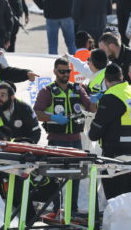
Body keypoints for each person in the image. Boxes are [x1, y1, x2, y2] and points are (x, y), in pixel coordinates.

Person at [34, 58, 94, 210]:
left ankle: (72, 209)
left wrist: (97, 100)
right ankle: (56, 208)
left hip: (75, 140)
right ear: (55, 72)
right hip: (57, 140)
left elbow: (91, 108)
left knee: (76, 176)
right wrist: (53, 117)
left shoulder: (77, 88)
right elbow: (37, 112)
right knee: (55, 177)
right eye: (62, 71)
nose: (65, 74)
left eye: (68, 71)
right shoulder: (47, 91)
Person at [88, 64, 131, 200]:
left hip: (115, 156)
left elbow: (94, 134)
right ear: (122, 77)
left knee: (115, 198)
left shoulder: (111, 97)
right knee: (130, 197)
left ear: (106, 81)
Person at [0, 82, 40, 146]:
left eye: (3, 95)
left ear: (12, 97)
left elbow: (36, 132)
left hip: (20, 149)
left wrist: (28, 145)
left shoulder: (25, 108)